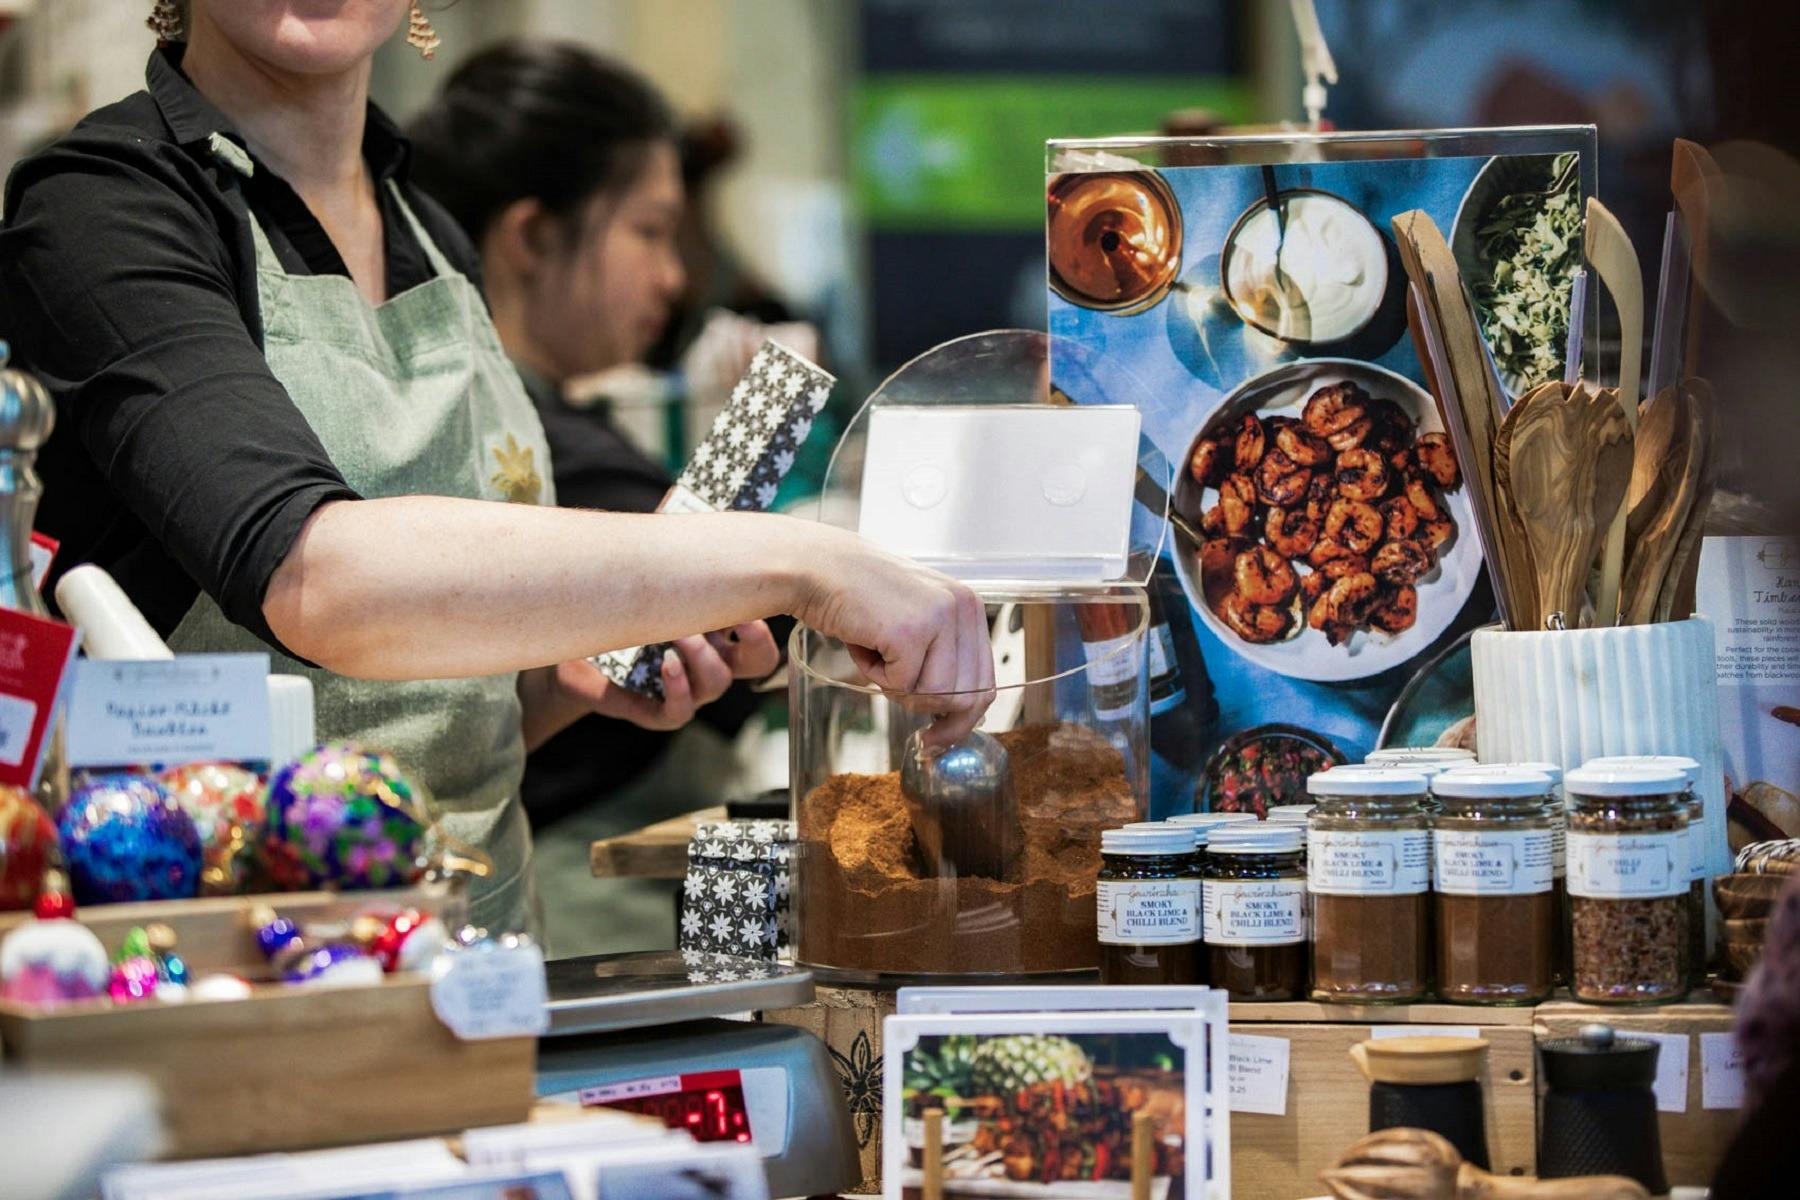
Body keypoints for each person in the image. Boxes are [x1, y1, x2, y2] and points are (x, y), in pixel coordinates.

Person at [0, 1, 993, 934]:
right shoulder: (101, 208)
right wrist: (798, 561)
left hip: (488, 958)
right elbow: (319, 584)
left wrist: (565, 683)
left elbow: (435, 720)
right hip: (250, 974)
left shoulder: (431, 235)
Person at [405, 42, 779, 830]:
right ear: (534, 237)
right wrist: (770, 404)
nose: (674, 277)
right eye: (649, 231)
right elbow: (725, 592)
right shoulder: (527, 448)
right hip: (580, 895)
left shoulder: (571, 426)